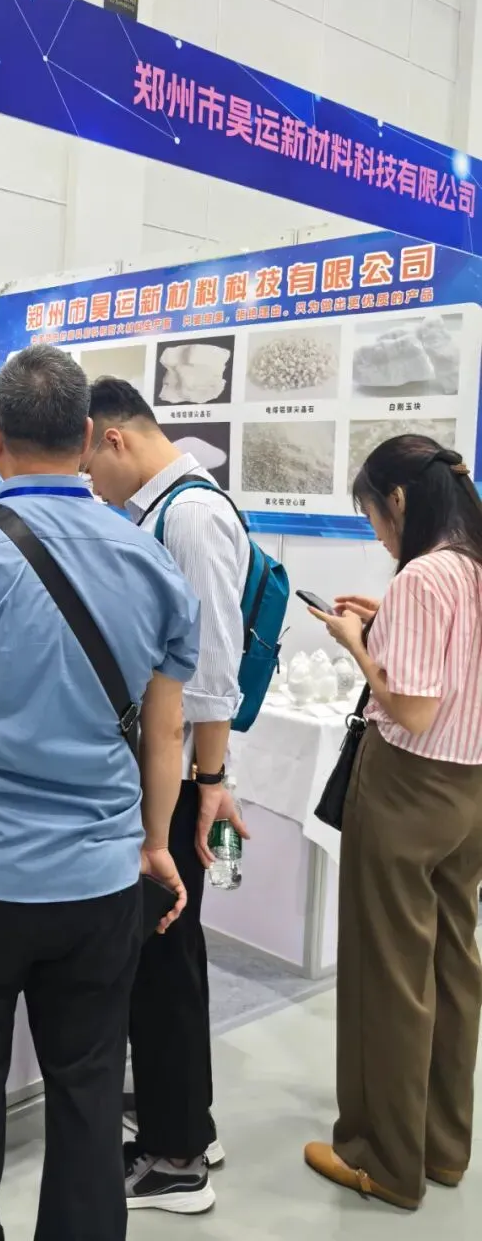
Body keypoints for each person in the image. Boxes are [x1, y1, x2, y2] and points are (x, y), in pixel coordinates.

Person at [0, 346, 200, 1241]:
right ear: (87, 438)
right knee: (88, 1091)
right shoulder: (150, 561)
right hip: (98, 879)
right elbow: (165, 731)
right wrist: (155, 842)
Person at [83, 377, 250, 1215]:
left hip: (178, 779)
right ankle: (184, 1119)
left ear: (111, 437)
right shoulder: (162, 509)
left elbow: (209, 668)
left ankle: (177, 1159)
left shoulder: (190, 517)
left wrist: (209, 782)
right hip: (170, 773)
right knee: (165, 955)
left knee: (164, 958)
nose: (91, 482)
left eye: (89, 463)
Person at [304, 435, 482, 1211]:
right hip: (472, 787)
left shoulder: (422, 576)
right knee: (452, 961)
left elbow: (410, 707)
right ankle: (443, 1146)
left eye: (373, 514)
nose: (376, 531)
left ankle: (381, 1157)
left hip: (408, 787)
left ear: (400, 499)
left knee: (388, 972)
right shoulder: (472, 565)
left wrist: (355, 642)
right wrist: (386, 626)